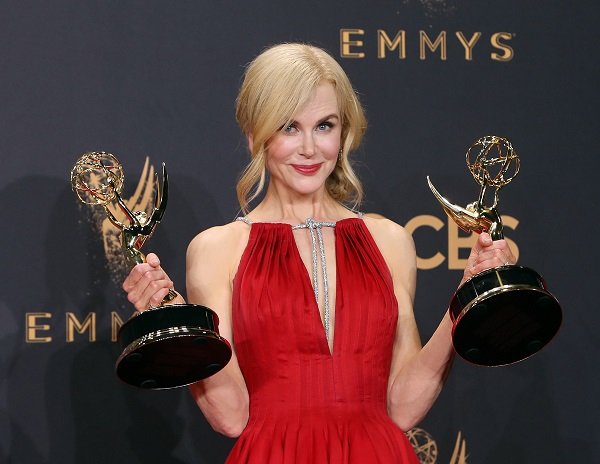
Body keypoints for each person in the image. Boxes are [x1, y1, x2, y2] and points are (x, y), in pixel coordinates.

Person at [122, 43, 516, 463]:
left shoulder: (389, 241)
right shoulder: (218, 249)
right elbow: (231, 417)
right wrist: (178, 321)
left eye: (324, 125)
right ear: (256, 133)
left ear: (345, 131)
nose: (309, 148)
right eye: (289, 127)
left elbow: (402, 406)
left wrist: (468, 298)